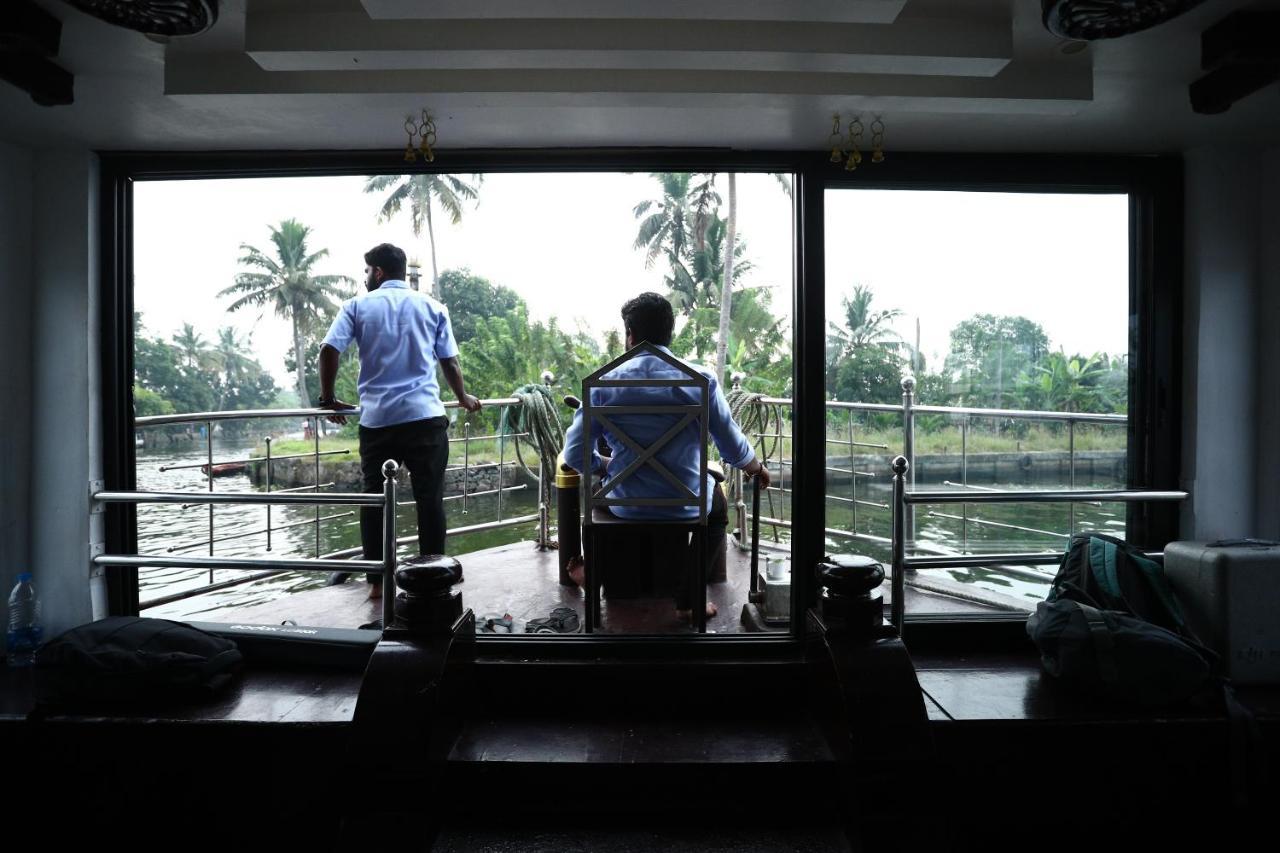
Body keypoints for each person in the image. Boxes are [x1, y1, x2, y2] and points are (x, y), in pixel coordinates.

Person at [562, 292, 771, 623]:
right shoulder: (700, 379)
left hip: (624, 503)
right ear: (670, 333)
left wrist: (604, 465)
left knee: (600, 498)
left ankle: (598, 571)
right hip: (684, 502)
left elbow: (574, 454)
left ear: (629, 334)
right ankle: (689, 601)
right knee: (716, 505)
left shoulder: (602, 382)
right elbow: (731, 445)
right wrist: (756, 468)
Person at [317, 242, 481, 598]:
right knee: (429, 499)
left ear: (378, 272)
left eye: (366, 272)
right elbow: (449, 362)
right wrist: (463, 398)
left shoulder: (357, 307)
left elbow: (329, 349)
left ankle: (377, 583)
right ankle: (436, 578)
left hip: (377, 422)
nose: (365, 279)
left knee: (374, 500)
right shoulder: (433, 307)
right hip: (424, 418)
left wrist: (328, 399)